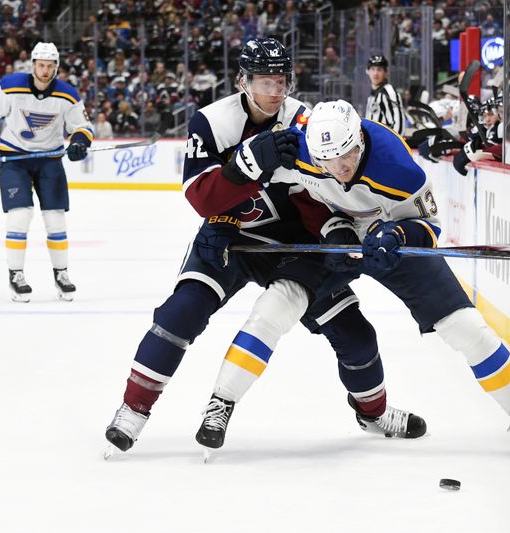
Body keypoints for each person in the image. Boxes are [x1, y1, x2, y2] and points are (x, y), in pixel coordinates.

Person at [104, 39, 425, 456]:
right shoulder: (211, 121)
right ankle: (133, 410)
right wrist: (246, 165)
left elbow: (319, 195)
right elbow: (201, 198)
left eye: (282, 80)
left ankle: (374, 412)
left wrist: (334, 231)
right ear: (243, 80)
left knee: (356, 333)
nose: (276, 90)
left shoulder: (305, 122)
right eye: (265, 81)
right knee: (178, 315)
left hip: (293, 244)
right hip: (228, 236)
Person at [204, 100, 510, 454]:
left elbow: (430, 227)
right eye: (326, 161)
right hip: (329, 237)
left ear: (359, 140)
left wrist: (398, 236)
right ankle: (221, 403)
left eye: (347, 155)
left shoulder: (396, 167)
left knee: (465, 325)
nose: (338, 168)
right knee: (277, 304)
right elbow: (248, 184)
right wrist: (226, 221)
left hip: (388, 235)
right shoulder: (295, 149)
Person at [0, 42, 92, 302]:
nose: (45, 70)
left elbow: (82, 126)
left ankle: (62, 274)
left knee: (56, 218)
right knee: (20, 216)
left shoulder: (68, 94)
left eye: (49, 66)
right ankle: (16, 275)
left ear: (56, 68)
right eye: (41, 65)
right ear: (33, 65)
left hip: (49, 159)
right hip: (14, 157)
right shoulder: (10, 85)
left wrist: (80, 143)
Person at [365, 55, 404, 135]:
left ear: (386, 72)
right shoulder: (372, 95)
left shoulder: (389, 92)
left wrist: (394, 144)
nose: (375, 73)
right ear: (367, 71)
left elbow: (399, 123)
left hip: (385, 145)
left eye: (379, 70)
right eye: (372, 69)